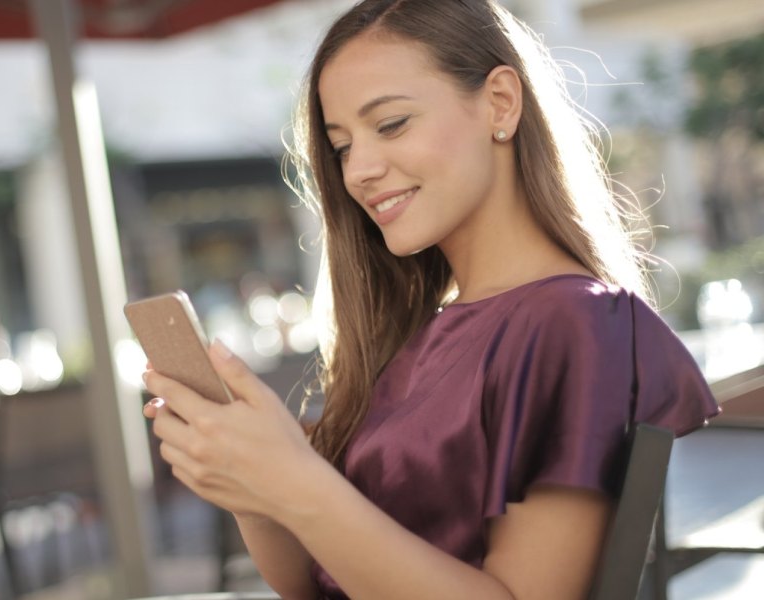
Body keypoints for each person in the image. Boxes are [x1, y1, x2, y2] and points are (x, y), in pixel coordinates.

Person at [142, 1, 719, 598]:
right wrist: (252, 487)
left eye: (390, 124)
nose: (358, 170)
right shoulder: (417, 338)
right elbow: (312, 584)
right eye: (341, 147)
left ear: (500, 103)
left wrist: (296, 481)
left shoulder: (574, 321)